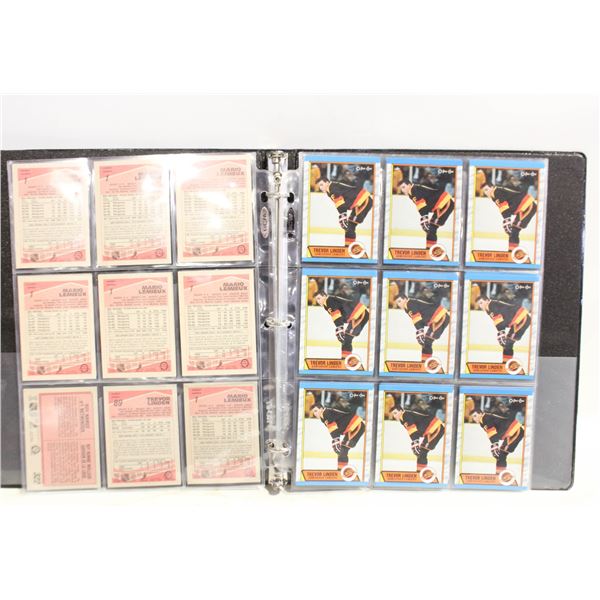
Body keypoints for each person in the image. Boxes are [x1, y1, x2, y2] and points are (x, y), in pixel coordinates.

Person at [316, 176, 373, 256]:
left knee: (350, 226)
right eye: (319, 186)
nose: (321, 188)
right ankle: (348, 248)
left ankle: (350, 248)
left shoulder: (332, 188)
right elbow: (341, 203)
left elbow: (340, 203)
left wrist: (343, 215)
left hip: (364, 200)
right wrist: (343, 215)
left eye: (322, 184)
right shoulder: (331, 189)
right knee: (350, 227)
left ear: (327, 182)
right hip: (361, 201)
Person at [480, 178, 538, 254]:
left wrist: (507, 219)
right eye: (484, 191)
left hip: (527, 205)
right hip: (524, 206)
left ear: (492, 187)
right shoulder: (496, 191)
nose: (486, 193)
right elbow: (506, 207)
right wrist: (507, 219)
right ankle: (513, 251)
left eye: (486, 189)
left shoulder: (496, 192)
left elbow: (504, 208)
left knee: (514, 230)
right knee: (514, 231)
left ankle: (513, 252)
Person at [389, 397, 445, 473]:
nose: (394, 416)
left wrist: (415, 442)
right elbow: (413, 430)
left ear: (401, 411)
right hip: (431, 429)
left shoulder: (406, 415)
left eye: (395, 413)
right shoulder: (404, 417)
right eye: (393, 414)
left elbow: (413, 430)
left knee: (422, 452)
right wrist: (415, 441)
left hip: (435, 428)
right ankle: (420, 472)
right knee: (421, 452)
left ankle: (422, 473)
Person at [314, 289, 369, 364]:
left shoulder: (329, 301)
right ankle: (346, 360)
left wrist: (340, 327)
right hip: (358, 314)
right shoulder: (327, 303)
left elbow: (336, 315)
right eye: (316, 300)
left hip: (359, 314)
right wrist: (340, 327)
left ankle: (347, 360)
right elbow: (338, 314)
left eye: (319, 298)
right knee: (346, 339)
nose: (318, 301)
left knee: (347, 339)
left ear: (324, 296)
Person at [399, 179, 454, 252]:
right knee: (431, 229)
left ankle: (431, 250)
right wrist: (424, 216)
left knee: (432, 228)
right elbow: (423, 205)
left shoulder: (414, 190)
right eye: (401, 188)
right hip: (441, 204)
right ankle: (429, 250)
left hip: (445, 202)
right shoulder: (412, 192)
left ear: (409, 185)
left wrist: (424, 217)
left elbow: (422, 206)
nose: (402, 190)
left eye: (403, 187)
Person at [472, 400, 524, 477]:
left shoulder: (486, 418)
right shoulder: (482, 421)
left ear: (480, 413)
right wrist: (494, 444)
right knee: (501, 456)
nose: (474, 418)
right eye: (472, 417)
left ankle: (500, 475)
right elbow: (492, 433)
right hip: (511, 432)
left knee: (501, 455)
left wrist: (495, 444)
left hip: (514, 431)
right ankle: (499, 475)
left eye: (475, 416)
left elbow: (492, 432)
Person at [476, 294, 530, 368]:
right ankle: (506, 364)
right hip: (518, 320)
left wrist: (501, 332)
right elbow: (500, 321)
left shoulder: (492, 305)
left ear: (487, 300)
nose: (480, 306)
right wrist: (501, 332)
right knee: (508, 344)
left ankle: (508, 364)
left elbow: (499, 321)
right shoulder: (489, 308)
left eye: (481, 303)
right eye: (479, 304)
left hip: (521, 318)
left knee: (508, 343)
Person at [395, 291, 449, 365]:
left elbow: (417, 319)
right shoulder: (409, 305)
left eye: (399, 301)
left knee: (427, 342)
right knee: (426, 343)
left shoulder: (409, 304)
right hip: (437, 318)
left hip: (440, 317)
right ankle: (425, 363)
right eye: (397, 303)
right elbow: (419, 319)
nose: (398, 304)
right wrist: (420, 330)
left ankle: (426, 363)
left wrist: (420, 331)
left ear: (405, 299)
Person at [311, 401, 366, 472]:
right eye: (313, 412)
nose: (315, 414)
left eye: (316, 411)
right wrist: (336, 440)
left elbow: (333, 427)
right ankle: (341, 470)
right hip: (352, 427)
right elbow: (334, 428)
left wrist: (336, 440)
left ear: (321, 409)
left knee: (343, 449)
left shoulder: (326, 413)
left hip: (356, 425)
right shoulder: (323, 416)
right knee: (342, 450)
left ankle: (342, 470)